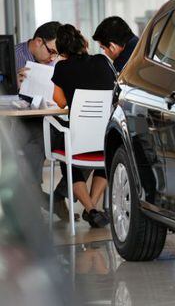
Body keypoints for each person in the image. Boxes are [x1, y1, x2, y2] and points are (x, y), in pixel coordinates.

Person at [51, 24, 115, 227]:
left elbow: (59, 101)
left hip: (78, 139)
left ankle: (92, 209)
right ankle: (93, 209)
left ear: (62, 51)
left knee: (67, 154)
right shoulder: (103, 61)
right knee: (105, 160)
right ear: (85, 43)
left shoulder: (62, 67)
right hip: (104, 138)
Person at [13, 21, 76, 221]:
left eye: (56, 54)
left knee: (79, 140)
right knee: (37, 135)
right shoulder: (12, 56)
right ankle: (35, 196)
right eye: (51, 51)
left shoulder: (55, 62)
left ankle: (56, 195)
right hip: (20, 120)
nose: (52, 57)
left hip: (50, 116)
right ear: (38, 42)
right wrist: (12, 84)